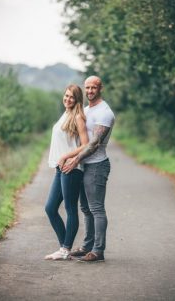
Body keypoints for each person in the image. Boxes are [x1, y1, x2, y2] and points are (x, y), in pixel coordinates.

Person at [62, 76, 115, 262]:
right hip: (84, 167)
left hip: (97, 165)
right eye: (87, 87)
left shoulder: (105, 113)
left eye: (93, 87)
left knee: (96, 209)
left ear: (100, 88)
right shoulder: (85, 109)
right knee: (85, 208)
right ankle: (87, 246)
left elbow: (93, 144)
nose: (90, 91)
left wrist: (75, 159)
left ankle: (98, 250)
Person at [43, 84, 90, 260]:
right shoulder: (66, 114)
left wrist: (66, 156)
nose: (67, 99)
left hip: (72, 168)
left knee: (70, 208)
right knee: (50, 208)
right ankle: (65, 248)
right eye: (66, 95)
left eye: (71, 97)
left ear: (77, 99)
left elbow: (86, 144)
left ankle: (64, 249)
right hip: (60, 168)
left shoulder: (78, 117)